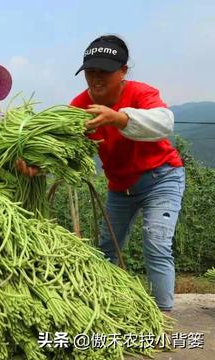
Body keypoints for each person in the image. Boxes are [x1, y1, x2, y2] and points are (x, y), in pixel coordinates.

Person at [68, 35, 184, 311]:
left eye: (104, 71)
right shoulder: (79, 105)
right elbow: (64, 144)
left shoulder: (141, 93)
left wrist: (120, 118)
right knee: (107, 249)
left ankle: (162, 315)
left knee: (156, 243)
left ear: (123, 71)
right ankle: (107, 307)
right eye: (90, 71)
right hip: (120, 187)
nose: (96, 78)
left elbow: (164, 123)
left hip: (161, 178)